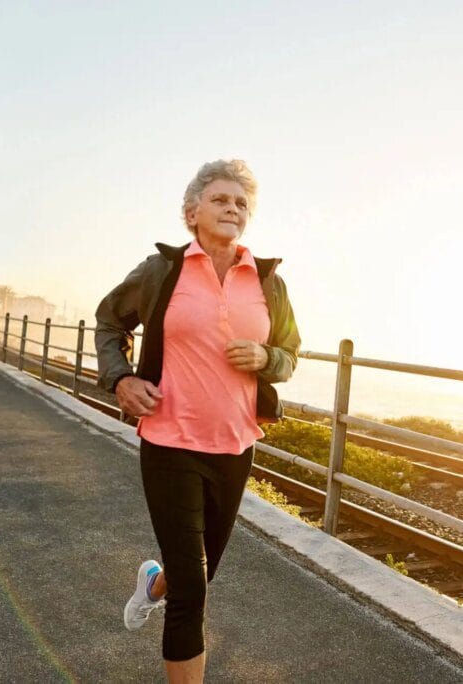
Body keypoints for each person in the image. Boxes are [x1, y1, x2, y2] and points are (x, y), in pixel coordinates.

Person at [94, 159, 300, 683]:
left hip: (235, 446)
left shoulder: (268, 280)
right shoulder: (162, 271)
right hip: (170, 441)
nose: (233, 208)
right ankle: (171, 593)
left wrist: (265, 357)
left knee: (199, 571)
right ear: (192, 212)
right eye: (220, 199)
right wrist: (120, 378)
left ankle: (154, 583)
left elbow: (290, 355)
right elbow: (108, 320)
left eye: (241, 203)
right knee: (195, 592)